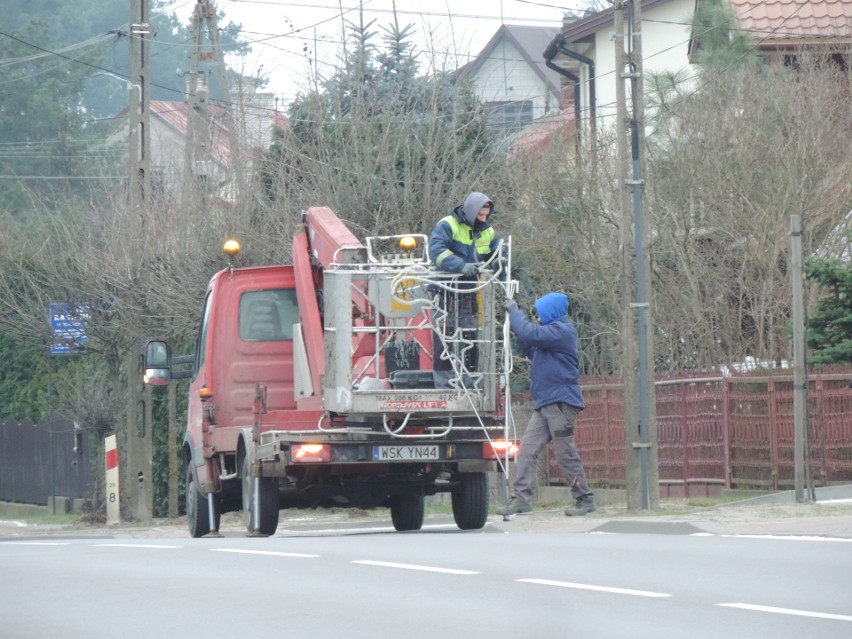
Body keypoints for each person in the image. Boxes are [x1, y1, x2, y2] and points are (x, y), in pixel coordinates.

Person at [497, 292, 596, 517]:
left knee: (564, 453)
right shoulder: (549, 335)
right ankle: (521, 499)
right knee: (526, 450)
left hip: (561, 403)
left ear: (551, 312)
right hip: (545, 403)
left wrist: (515, 312)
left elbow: (530, 333)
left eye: (541, 313)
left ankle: (584, 498)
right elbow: (527, 343)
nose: (538, 317)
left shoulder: (561, 332)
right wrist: (517, 327)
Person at [427, 192, 500, 389]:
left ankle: (469, 382)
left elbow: (497, 254)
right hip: (444, 290)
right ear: (470, 211)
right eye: (480, 215)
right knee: (444, 337)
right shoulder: (447, 225)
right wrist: (461, 266)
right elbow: (436, 252)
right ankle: (443, 384)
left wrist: (503, 261)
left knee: (470, 335)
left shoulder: (488, 232)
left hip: (469, 291)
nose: (483, 219)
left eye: (486, 215)